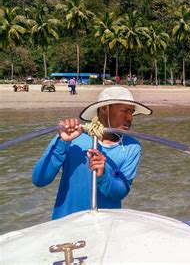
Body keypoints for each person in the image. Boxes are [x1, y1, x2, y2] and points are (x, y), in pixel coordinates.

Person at [32, 87, 152, 219]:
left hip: (106, 225)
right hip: (66, 221)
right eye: (124, 111)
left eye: (131, 112)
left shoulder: (132, 146)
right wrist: (62, 143)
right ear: (104, 109)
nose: (130, 117)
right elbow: (39, 179)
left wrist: (103, 175)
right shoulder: (73, 137)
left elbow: (120, 192)